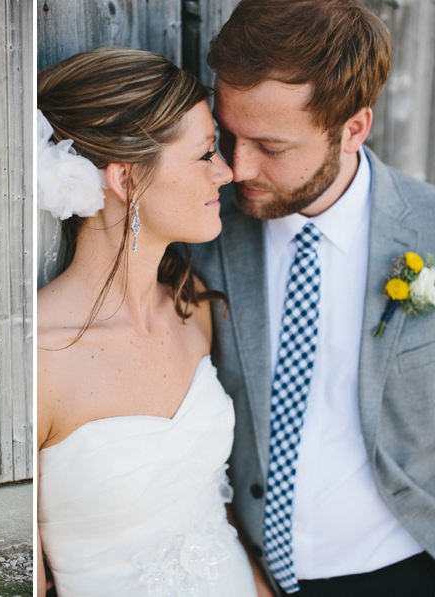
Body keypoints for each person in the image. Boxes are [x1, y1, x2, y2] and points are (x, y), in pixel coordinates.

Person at [192, 1, 435, 595]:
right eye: (228, 134)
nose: (237, 166)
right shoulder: (198, 231)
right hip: (243, 568)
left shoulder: (428, 229)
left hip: (406, 562)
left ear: (353, 128)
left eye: (271, 147)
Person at [37, 47, 258, 596]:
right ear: (127, 179)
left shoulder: (193, 305)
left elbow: (211, 505)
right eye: (206, 154)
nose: (227, 172)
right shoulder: (39, 358)